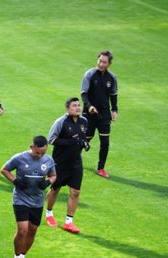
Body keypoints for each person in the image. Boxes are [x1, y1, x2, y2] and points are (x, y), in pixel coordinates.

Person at [1, 136, 56, 258]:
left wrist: (48, 182)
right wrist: (15, 181)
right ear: (32, 147)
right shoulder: (20, 158)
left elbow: (53, 175)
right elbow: (4, 169)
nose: (40, 155)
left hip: (37, 200)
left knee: (32, 229)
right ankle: (16, 257)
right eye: (37, 152)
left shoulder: (48, 160)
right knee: (22, 230)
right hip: (20, 199)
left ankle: (22, 257)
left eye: (43, 153)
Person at [45, 97, 89, 234]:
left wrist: (85, 143)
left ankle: (68, 222)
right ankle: (49, 213)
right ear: (67, 109)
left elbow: (82, 137)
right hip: (60, 162)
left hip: (76, 161)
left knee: (75, 192)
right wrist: (70, 142)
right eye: (74, 105)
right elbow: (51, 139)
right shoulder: (61, 122)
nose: (78, 108)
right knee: (55, 188)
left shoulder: (84, 121)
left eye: (79, 105)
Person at [81, 50, 119, 178]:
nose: (101, 64)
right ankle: (72, 159)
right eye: (100, 61)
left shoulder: (112, 78)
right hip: (89, 113)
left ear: (109, 64)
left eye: (104, 62)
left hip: (103, 114)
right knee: (85, 139)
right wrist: (89, 106)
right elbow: (84, 94)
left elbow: (113, 95)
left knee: (105, 142)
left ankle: (101, 168)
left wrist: (114, 110)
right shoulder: (89, 75)